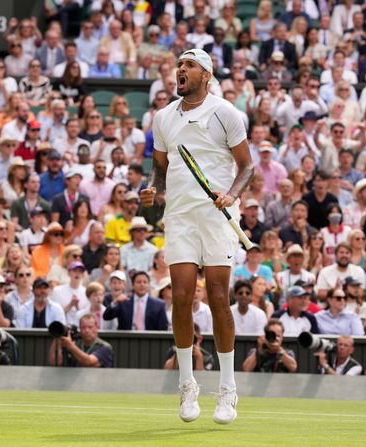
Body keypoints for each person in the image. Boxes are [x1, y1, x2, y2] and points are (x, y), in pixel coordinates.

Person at [140, 48, 253, 424]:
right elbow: (159, 168)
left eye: (189, 65)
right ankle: (188, 385)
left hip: (218, 215)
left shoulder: (226, 113)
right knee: (183, 297)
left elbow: (247, 166)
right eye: (179, 65)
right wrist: (152, 188)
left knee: (220, 298)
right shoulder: (163, 118)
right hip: (180, 216)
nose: (180, 70)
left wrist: (233, 195)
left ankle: (227, 389)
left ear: (206, 74)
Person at [102, 270, 169, 331]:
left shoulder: (159, 305)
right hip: (126, 341)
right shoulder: (124, 301)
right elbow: (106, 316)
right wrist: (114, 302)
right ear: (133, 285)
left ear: (148, 285)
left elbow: (163, 328)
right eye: (138, 282)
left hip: (150, 342)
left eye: (145, 282)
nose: (142, 285)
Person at [49, 313, 114, 368]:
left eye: (90, 327)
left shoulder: (105, 347)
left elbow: (88, 362)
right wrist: (58, 336)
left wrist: (70, 346)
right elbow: (54, 362)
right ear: (80, 329)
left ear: (97, 328)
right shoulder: (76, 344)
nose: (86, 331)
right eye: (83, 327)